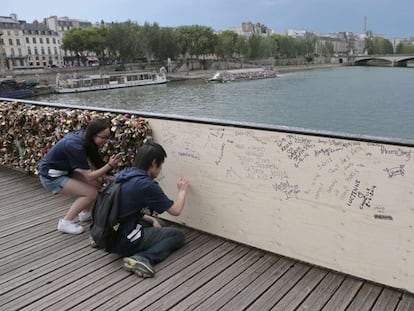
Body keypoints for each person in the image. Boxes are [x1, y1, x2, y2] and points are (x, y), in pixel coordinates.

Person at [108, 141, 189, 278]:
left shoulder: (124, 175)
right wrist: (182, 191)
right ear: (153, 163)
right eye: (161, 165)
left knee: (159, 224)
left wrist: (151, 219)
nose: (160, 169)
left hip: (109, 233)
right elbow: (176, 211)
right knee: (177, 236)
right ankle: (143, 258)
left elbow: (127, 209)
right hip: (124, 240)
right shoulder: (146, 185)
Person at [38, 118, 122, 234]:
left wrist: (107, 177)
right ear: (93, 134)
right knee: (91, 193)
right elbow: (89, 176)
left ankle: (85, 214)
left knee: (96, 184)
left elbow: (92, 172)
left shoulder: (85, 139)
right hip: (51, 177)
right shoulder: (75, 146)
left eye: (108, 137)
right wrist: (109, 165)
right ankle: (65, 222)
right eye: (103, 137)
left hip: (65, 171)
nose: (106, 141)